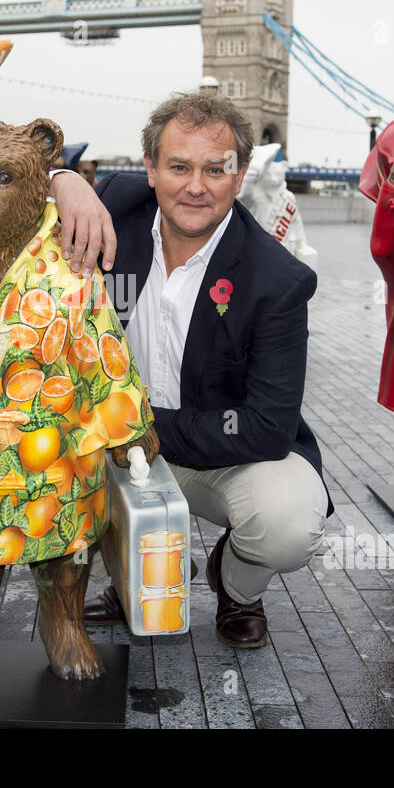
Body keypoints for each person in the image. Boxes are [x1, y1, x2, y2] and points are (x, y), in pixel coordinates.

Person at [48, 92, 330, 649]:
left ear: (241, 174)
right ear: (149, 169)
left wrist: (141, 425)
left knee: (288, 524)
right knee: (34, 460)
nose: (195, 186)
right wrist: (62, 177)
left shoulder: (278, 280)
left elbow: (266, 426)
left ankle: (236, 585)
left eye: (216, 169)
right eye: (178, 166)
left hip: (227, 452)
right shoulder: (111, 208)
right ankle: (131, 577)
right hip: (116, 445)